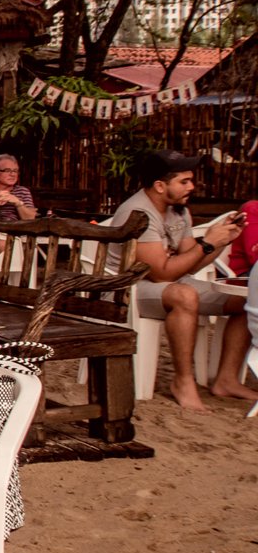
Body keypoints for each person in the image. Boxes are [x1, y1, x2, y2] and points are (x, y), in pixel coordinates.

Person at [107, 150, 253, 410]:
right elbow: (161, 273)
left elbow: (190, 260)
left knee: (246, 300)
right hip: (125, 286)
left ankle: (226, 380)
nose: (192, 187)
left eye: (191, 180)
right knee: (184, 296)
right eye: (184, 182)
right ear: (160, 186)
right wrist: (207, 242)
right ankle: (183, 381)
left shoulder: (178, 210)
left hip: (167, 282)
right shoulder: (138, 213)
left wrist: (222, 241)